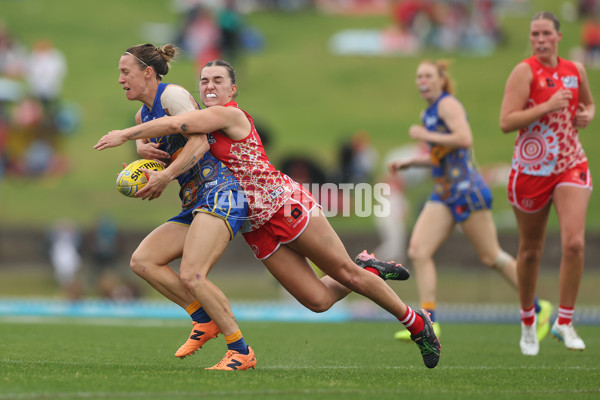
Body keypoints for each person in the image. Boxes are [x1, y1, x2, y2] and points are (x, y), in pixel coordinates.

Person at [95, 60, 442, 369]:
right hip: (253, 224)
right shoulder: (199, 125)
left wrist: (125, 134)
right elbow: (178, 138)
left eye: (218, 80)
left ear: (233, 89)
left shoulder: (228, 114)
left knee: (345, 274)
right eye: (204, 81)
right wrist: (145, 155)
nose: (210, 86)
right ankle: (369, 265)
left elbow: (177, 125)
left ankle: (416, 323)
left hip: (282, 205)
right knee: (317, 301)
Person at [388, 60, 552, 343]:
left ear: (441, 79)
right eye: (418, 76)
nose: (421, 80)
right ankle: (429, 322)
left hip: (466, 190)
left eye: (427, 75)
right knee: (418, 250)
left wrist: (423, 135)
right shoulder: (428, 111)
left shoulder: (447, 105)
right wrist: (412, 162)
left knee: (491, 256)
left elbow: (464, 139)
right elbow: (442, 154)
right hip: (444, 192)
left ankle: (538, 307)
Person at [113, 44, 253, 370]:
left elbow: (201, 141)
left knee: (192, 274)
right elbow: (149, 139)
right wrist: (142, 154)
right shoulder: (142, 113)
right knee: (144, 260)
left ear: (148, 73)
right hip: (195, 201)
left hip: (221, 192)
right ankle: (204, 318)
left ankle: (241, 350)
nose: (120, 80)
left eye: (125, 72)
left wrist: (165, 177)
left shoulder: (172, 96)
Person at [499, 11, 595, 356]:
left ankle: (565, 322)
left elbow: (587, 104)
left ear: (558, 35)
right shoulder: (524, 71)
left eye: (545, 34)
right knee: (531, 251)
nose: (539, 40)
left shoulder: (575, 70)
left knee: (574, 244)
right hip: (531, 169)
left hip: (570, 163)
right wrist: (546, 106)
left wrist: (586, 114)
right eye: (534, 34)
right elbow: (506, 122)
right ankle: (527, 322)